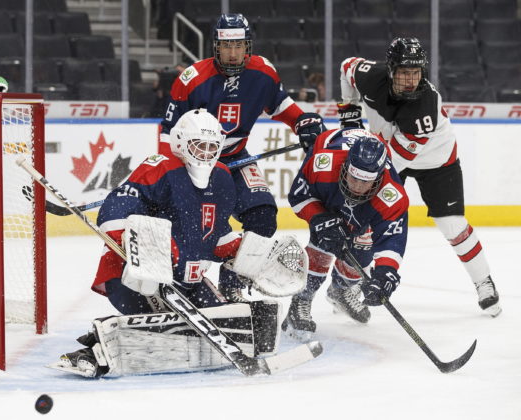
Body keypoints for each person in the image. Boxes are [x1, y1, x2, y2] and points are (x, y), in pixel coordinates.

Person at [53, 109, 308, 377]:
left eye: (213, 147)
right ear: (180, 143)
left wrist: (250, 252)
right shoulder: (160, 167)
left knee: (228, 321)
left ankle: (126, 342)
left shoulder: (221, 178)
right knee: (165, 325)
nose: (206, 153)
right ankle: (94, 350)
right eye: (199, 145)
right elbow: (114, 209)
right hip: (133, 277)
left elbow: (216, 235)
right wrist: (140, 242)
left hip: (187, 282)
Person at [159, 13, 325, 303]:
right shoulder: (192, 80)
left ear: (248, 46)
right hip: (194, 163)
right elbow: (167, 134)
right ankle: (181, 282)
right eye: (226, 46)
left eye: (239, 46)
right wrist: (172, 177)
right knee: (199, 226)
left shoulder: (264, 73)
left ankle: (231, 285)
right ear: (216, 47)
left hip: (236, 158)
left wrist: (302, 123)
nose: (233, 53)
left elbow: (281, 106)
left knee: (262, 217)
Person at [338, 37, 501, 317]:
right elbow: (346, 68)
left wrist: (365, 155)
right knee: (360, 217)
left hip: (436, 160)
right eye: (404, 73)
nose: (411, 80)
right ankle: (344, 287)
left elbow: (394, 157)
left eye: (416, 73)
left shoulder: (425, 106)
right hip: (390, 148)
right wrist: (349, 114)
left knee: (452, 225)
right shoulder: (369, 76)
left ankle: (483, 281)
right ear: (390, 70)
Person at [283, 128, 409, 340]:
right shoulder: (323, 165)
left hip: (364, 211)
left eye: (365, 181)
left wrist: (385, 273)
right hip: (329, 194)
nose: (358, 187)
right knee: (323, 240)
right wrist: (319, 218)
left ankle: (340, 290)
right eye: (354, 177)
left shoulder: (391, 194)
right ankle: (302, 299)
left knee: (362, 244)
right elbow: (298, 196)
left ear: (379, 177)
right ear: (346, 166)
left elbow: (391, 238)